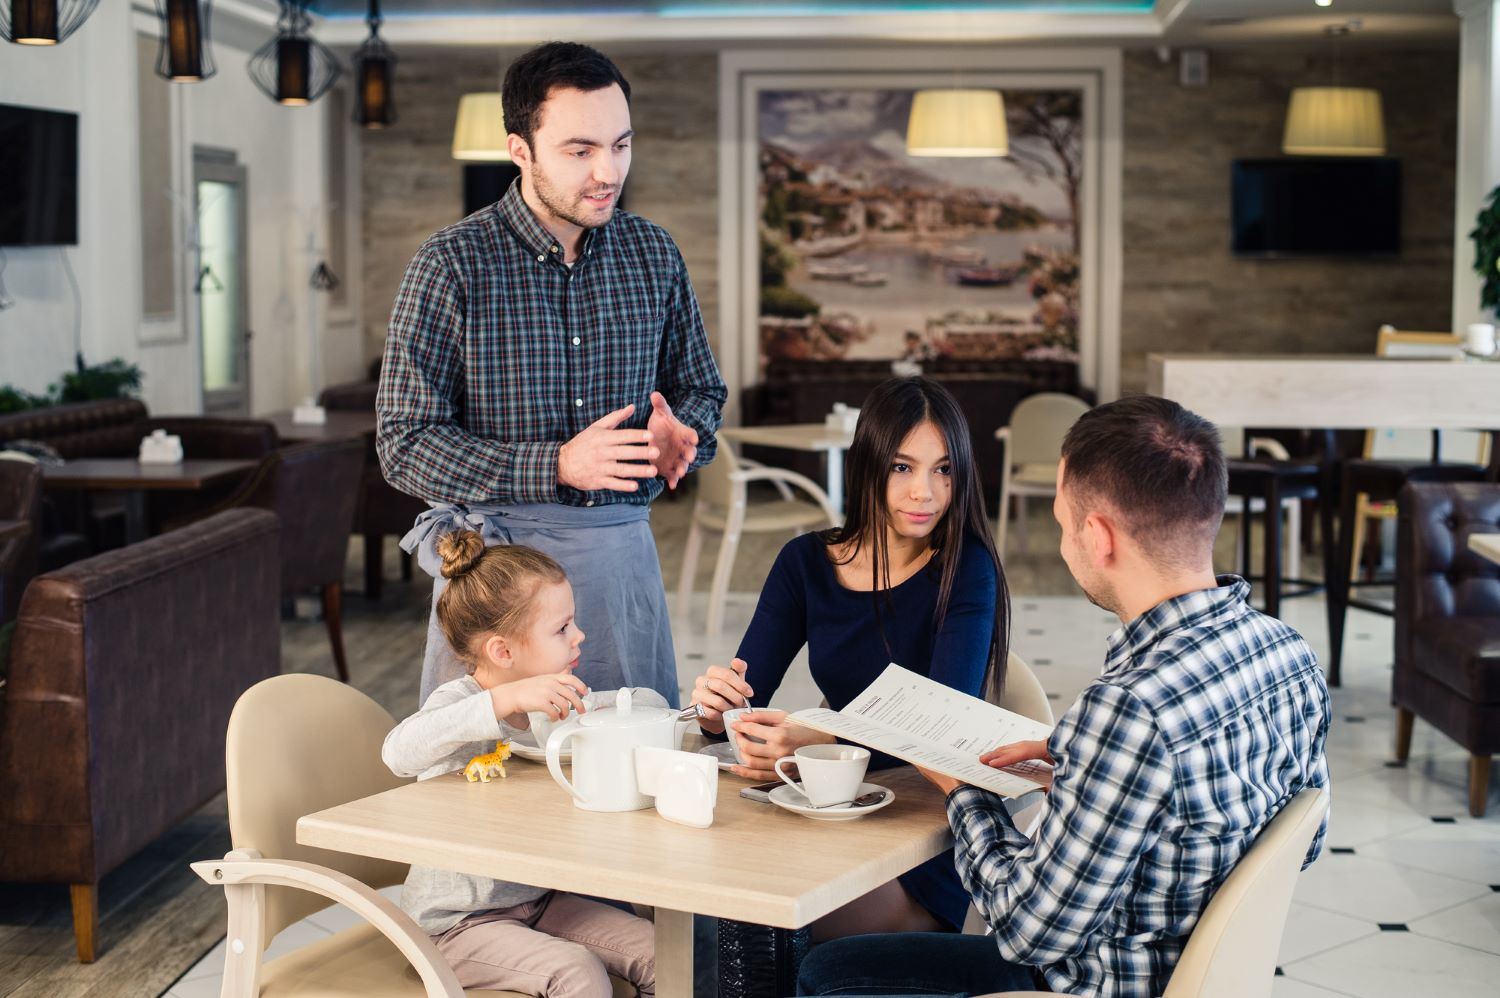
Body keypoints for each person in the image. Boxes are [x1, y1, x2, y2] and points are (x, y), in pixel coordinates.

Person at [796, 395, 1332, 998]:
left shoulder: (1130, 710)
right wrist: (1102, 780)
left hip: (1096, 984)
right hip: (1207, 977)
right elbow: (1302, 841)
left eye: (1061, 522)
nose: (1061, 542)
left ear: (1097, 536)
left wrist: (962, 787)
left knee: (825, 973)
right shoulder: (1286, 652)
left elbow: (1028, 931)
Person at [377, 41, 727, 706]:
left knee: (630, 776)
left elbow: (701, 391)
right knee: (490, 790)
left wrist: (682, 435)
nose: (608, 171)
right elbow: (404, 444)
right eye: (580, 150)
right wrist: (555, 465)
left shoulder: (654, 254)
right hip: (496, 586)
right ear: (520, 151)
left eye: (621, 145)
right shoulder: (449, 265)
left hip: (622, 569)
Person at [688, 376, 1009, 939]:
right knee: (711, 897)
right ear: (869, 466)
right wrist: (721, 714)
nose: (925, 494)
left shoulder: (967, 568)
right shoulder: (804, 563)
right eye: (903, 468)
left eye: (944, 469)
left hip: (921, 828)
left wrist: (822, 744)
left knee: (755, 927)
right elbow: (749, 691)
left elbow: (941, 729)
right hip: (829, 804)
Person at [382, 529, 659, 997]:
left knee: (663, 952)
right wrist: (501, 700)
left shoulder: (552, 699)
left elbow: (643, 704)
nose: (580, 636)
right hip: (452, 925)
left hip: (538, 900)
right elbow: (398, 752)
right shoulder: (459, 702)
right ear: (502, 651)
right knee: (576, 972)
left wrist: (636, 705)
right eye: (562, 628)